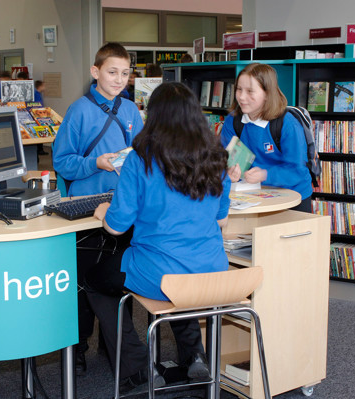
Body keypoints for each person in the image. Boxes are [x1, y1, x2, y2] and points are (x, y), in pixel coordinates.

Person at [85, 81, 231, 392]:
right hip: (212, 273)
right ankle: (194, 357)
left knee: (96, 280)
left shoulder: (142, 158)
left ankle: (138, 369)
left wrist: (102, 212)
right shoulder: (216, 157)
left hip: (160, 274)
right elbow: (223, 218)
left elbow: (116, 227)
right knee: (181, 277)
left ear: (154, 116)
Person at [52, 42, 144, 375]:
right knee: (83, 281)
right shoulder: (79, 110)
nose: (119, 79)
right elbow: (62, 161)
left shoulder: (132, 110)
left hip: (123, 207)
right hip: (86, 210)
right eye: (112, 72)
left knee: (119, 277)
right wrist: (97, 163)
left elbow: (142, 154)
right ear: (95, 72)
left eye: (125, 73)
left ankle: (112, 345)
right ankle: (77, 347)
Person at [220, 63, 313, 212]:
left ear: (267, 94)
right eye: (239, 89)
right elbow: (220, 159)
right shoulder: (233, 120)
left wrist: (264, 174)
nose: (242, 97)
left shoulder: (287, 124)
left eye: (250, 91)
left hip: (294, 197)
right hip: (250, 196)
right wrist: (228, 171)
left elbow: (297, 171)